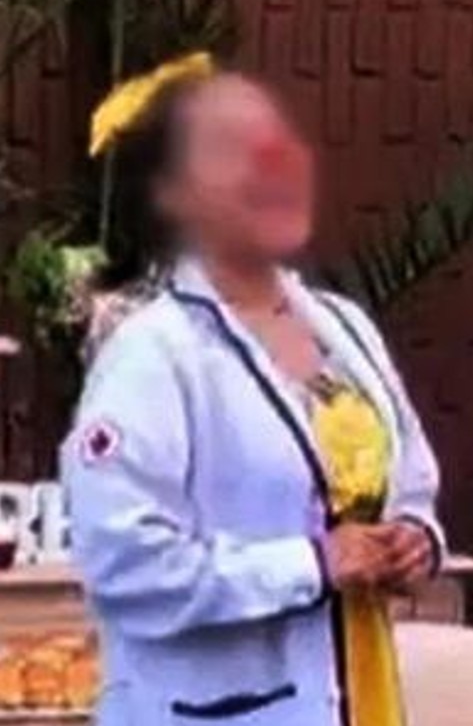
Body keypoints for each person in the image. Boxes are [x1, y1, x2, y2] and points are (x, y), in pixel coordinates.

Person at [62, 53, 444, 726]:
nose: (273, 162)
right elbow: (125, 568)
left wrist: (416, 537)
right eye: (234, 149)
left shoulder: (343, 327)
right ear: (172, 194)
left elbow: (412, 478)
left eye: (281, 141)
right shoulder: (152, 355)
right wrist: (311, 565)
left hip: (359, 692)